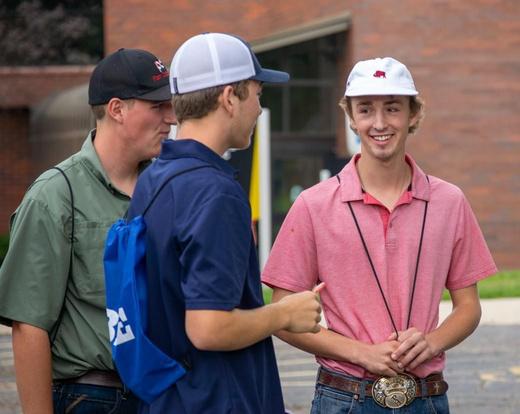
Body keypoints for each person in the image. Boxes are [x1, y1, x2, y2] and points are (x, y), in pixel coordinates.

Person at [262, 57, 498, 413]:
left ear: (413, 114)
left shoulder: (450, 201)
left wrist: (432, 342)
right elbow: (280, 314)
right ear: (351, 117)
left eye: (392, 108)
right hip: (343, 398)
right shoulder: (313, 204)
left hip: (427, 398)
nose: (379, 123)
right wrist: (360, 352)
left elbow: (469, 307)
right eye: (365, 109)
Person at [127, 32, 323, 414]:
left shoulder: (154, 178)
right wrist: (285, 313)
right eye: (258, 94)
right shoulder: (214, 192)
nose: (259, 109)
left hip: (167, 397)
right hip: (216, 399)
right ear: (230, 97)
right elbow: (208, 328)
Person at [0, 48, 176, 413]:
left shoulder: (168, 188)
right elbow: (29, 326)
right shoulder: (55, 195)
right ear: (117, 109)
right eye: (158, 106)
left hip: (163, 393)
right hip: (92, 397)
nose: (171, 118)